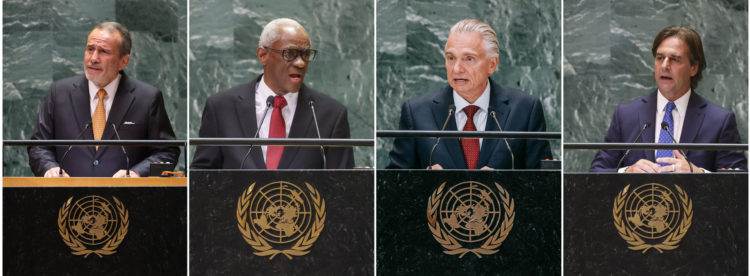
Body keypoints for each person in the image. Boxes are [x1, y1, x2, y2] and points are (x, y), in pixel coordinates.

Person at [387, 19, 552, 169]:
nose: (457, 68)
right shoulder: (416, 113)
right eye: (451, 58)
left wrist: (506, 185)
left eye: (469, 59)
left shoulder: (524, 110)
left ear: (492, 64)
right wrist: (423, 183)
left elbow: (545, 185)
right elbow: (393, 184)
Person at [191, 18, 354, 169]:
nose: (300, 63)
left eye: (305, 54)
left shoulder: (331, 115)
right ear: (263, 55)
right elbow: (202, 176)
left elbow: (343, 185)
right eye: (289, 53)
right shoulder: (221, 108)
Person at [28, 22, 179, 177]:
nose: (93, 58)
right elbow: (38, 147)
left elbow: (166, 153)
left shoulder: (147, 98)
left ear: (123, 62)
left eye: (104, 52)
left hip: (127, 198)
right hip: (68, 198)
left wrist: (136, 174)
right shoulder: (58, 92)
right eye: (90, 49)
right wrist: (49, 168)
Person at [590, 26, 747, 173]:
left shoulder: (719, 121)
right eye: (660, 58)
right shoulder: (626, 115)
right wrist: (626, 171)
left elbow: (739, 182)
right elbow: (596, 173)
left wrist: (699, 173)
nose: (665, 65)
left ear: (694, 68)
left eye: (675, 59)